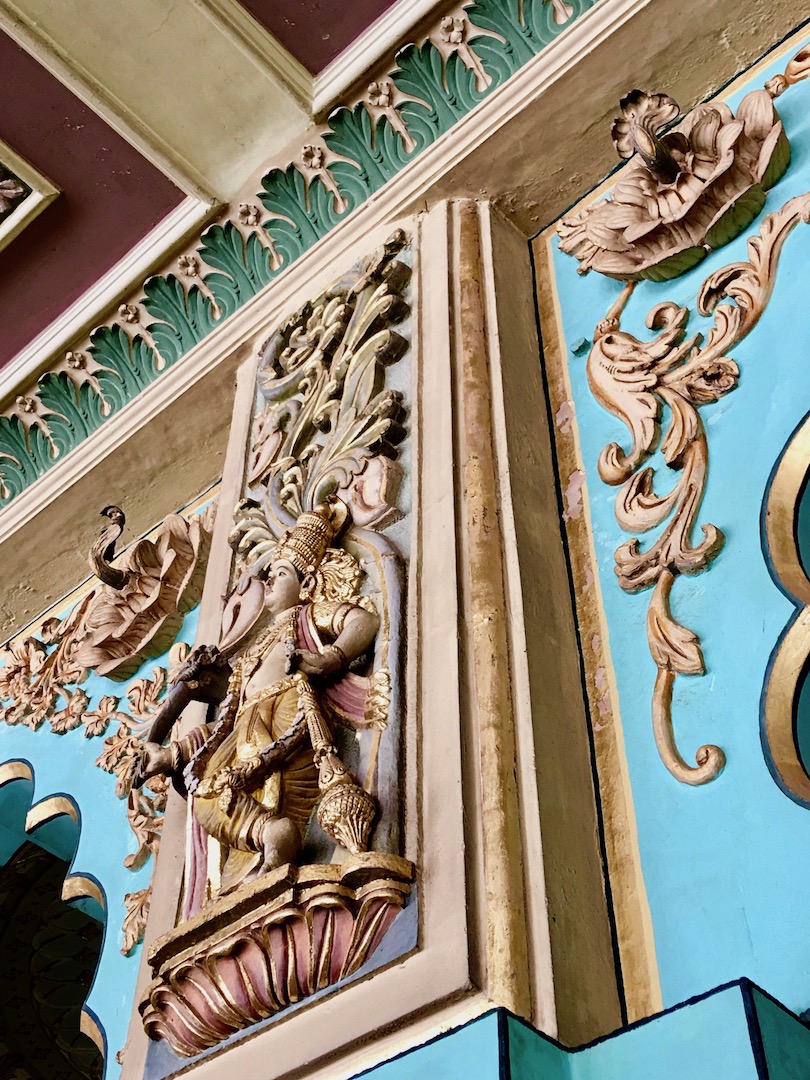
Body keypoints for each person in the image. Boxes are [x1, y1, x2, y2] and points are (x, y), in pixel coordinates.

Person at [135, 500, 379, 894]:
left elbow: (361, 620)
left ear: (307, 585)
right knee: (205, 793)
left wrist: (331, 657)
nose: (269, 581)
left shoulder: (306, 617)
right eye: (269, 575)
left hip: (287, 712)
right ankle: (268, 833)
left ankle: (276, 836)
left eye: (280, 574)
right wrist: (171, 754)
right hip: (246, 724)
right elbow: (224, 725)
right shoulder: (255, 648)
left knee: (247, 775)